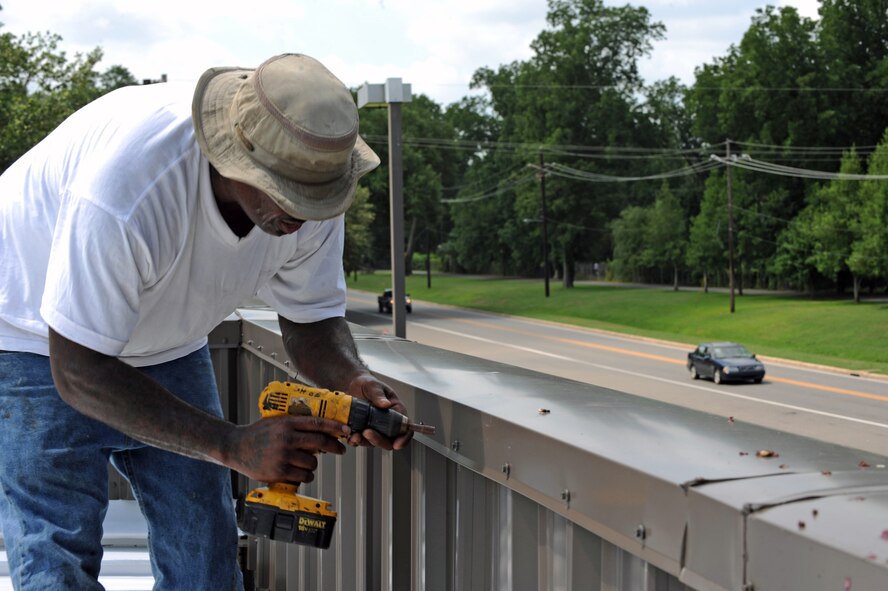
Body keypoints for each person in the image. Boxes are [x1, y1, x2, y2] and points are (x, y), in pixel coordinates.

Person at [0, 53, 411, 590]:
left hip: (169, 347)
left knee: (205, 549)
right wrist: (233, 445)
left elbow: (311, 320)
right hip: (33, 337)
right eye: (288, 196)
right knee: (57, 556)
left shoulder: (312, 184)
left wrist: (351, 379)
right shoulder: (130, 189)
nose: (302, 215)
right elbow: (79, 370)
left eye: (315, 200)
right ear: (236, 159)